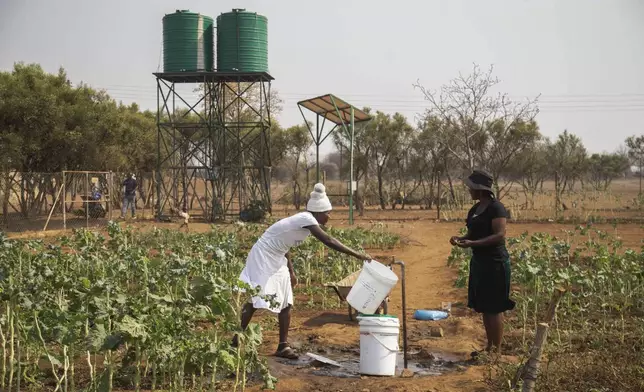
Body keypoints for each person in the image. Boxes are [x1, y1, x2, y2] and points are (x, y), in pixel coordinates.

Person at [235, 183, 371, 359]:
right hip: (263, 255)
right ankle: (235, 337)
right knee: (256, 298)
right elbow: (328, 240)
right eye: (328, 213)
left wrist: (291, 271)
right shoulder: (306, 219)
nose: (329, 216)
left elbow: (286, 245)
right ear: (319, 212)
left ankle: (283, 347)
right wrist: (357, 254)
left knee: (286, 300)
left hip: (277, 256)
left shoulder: (305, 222)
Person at [449, 170, 515, 356]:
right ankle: (490, 348)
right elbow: (472, 234)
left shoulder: (496, 208)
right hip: (480, 262)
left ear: (479, 189)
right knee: (486, 307)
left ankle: (496, 351)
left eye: (471, 188)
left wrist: (473, 243)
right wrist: (461, 239)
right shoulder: (475, 210)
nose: (469, 191)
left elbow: (499, 235)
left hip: (495, 262)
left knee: (494, 308)